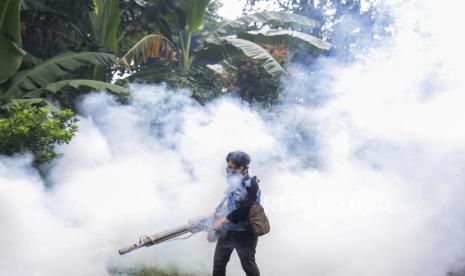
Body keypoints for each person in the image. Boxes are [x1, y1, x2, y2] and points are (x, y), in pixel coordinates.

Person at [211, 151, 261, 276]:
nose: (231, 170)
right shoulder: (232, 182)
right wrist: (218, 214)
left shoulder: (251, 184)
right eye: (229, 167)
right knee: (218, 264)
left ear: (245, 168)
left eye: (236, 168)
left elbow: (244, 209)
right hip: (228, 230)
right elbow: (232, 203)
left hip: (245, 232)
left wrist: (222, 221)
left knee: (248, 265)